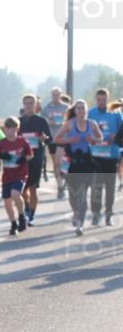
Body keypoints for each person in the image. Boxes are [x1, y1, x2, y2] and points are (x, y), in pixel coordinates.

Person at [54, 99, 103, 236]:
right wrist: (69, 140)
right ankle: (75, 212)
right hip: (72, 163)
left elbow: (100, 138)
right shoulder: (69, 124)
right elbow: (56, 138)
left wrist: (93, 140)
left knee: (82, 194)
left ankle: (80, 225)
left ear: (86, 110)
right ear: (75, 111)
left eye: (83, 108)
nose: (81, 110)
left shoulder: (92, 124)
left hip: (86, 162)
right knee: (73, 193)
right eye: (78, 108)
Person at [0, 117, 33, 235]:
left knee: (15, 194)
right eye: (8, 128)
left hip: (20, 173)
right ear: (4, 129)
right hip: (7, 175)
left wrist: (23, 158)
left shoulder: (22, 141)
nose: (10, 131)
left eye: (13, 128)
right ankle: (13, 223)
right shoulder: (1, 143)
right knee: (7, 201)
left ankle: (22, 216)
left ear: (17, 129)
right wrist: (0, 156)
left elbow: (30, 155)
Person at [88, 89, 123, 222]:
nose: (101, 102)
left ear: (108, 99)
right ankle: (96, 213)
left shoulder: (116, 114)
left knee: (110, 187)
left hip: (111, 155)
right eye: (99, 99)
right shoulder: (91, 113)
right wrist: (96, 138)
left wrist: (116, 137)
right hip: (96, 155)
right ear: (96, 99)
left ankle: (109, 213)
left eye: (103, 99)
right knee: (96, 185)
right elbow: (87, 131)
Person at [18, 94, 53, 226]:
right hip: (21, 159)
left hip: (36, 158)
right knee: (22, 189)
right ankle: (26, 208)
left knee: (33, 188)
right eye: (26, 103)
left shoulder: (41, 121)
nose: (28, 106)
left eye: (31, 103)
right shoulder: (19, 121)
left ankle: (31, 215)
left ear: (36, 105)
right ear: (23, 105)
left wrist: (44, 139)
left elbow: (50, 139)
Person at [41, 87, 70, 198]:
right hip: (52, 138)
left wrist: (63, 122)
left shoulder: (66, 107)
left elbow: (71, 121)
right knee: (56, 163)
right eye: (53, 94)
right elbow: (43, 121)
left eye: (57, 94)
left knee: (60, 161)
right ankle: (60, 186)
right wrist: (50, 122)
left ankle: (64, 181)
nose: (55, 96)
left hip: (63, 138)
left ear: (60, 95)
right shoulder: (46, 108)